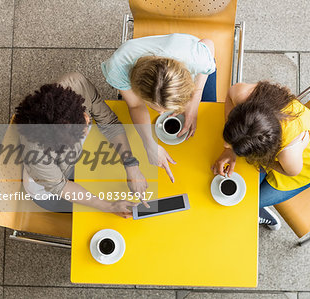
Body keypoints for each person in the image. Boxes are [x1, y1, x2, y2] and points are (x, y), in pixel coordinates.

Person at [14, 72, 149, 216]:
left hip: (72, 165)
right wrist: (108, 206)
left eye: (82, 118)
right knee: (94, 211)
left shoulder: (77, 84)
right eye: (77, 134)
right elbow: (61, 186)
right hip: (50, 191)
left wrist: (131, 165)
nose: (87, 121)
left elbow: (109, 122)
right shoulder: (37, 155)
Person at [212, 81, 310, 230]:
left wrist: (262, 162)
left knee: (247, 202)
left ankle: (257, 211)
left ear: (262, 154)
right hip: (282, 151)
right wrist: (229, 148)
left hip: (302, 167)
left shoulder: (288, 154)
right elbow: (231, 93)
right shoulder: (245, 95)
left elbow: (292, 171)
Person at [102, 33, 216, 183]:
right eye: (157, 108)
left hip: (186, 56)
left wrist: (195, 99)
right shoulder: (117, 67)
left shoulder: (195, 58)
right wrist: (149, 144)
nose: (162, 113)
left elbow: (209, 43)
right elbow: (135, 105)